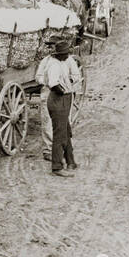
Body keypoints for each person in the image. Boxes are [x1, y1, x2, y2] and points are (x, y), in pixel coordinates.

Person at [38, 36, 82, 176]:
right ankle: (57, 167)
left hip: (63, 100)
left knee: (66, 131)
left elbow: (74, 76)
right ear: (60, 54)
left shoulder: (63, 62)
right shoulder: (54, 65)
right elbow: (53, 84)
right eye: (66, 53)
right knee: (60, 134)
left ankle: (70, 161)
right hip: (58, 100)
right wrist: (64, 91)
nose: (68, 55)